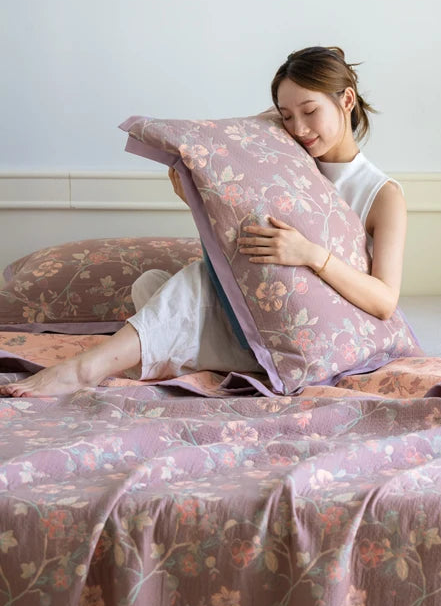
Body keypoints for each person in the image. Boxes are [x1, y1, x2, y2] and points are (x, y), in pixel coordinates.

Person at [0, 46, 407, 398]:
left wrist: (312, 255)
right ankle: (180, 354)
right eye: (285, 116)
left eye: (310, 111)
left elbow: (385, 301)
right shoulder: (283, 164)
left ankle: (86, 369)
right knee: (154, 287)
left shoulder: (382, 195)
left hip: (306, 339)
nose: (298, 128)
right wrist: (197, 199)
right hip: (254, 316)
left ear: (347, 100)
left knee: (185, 292)